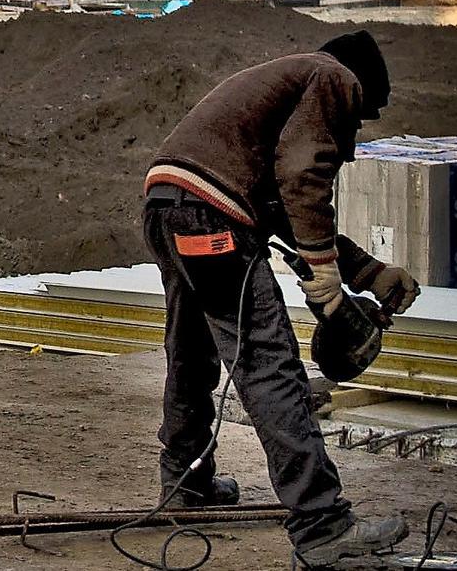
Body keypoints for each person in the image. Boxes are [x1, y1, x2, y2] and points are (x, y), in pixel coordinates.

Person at [141, 30, 420, 567]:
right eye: (360, 120)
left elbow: (276, 208)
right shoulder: (333, 76)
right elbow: (304, 175)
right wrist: (326, 278)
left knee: (193, 355)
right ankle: (322, 526)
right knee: (270, 367)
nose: (354, 137)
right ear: (360, 85)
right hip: (211, 218)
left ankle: (185, 486)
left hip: (167, 206)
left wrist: (370, 272)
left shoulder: (270, 98)